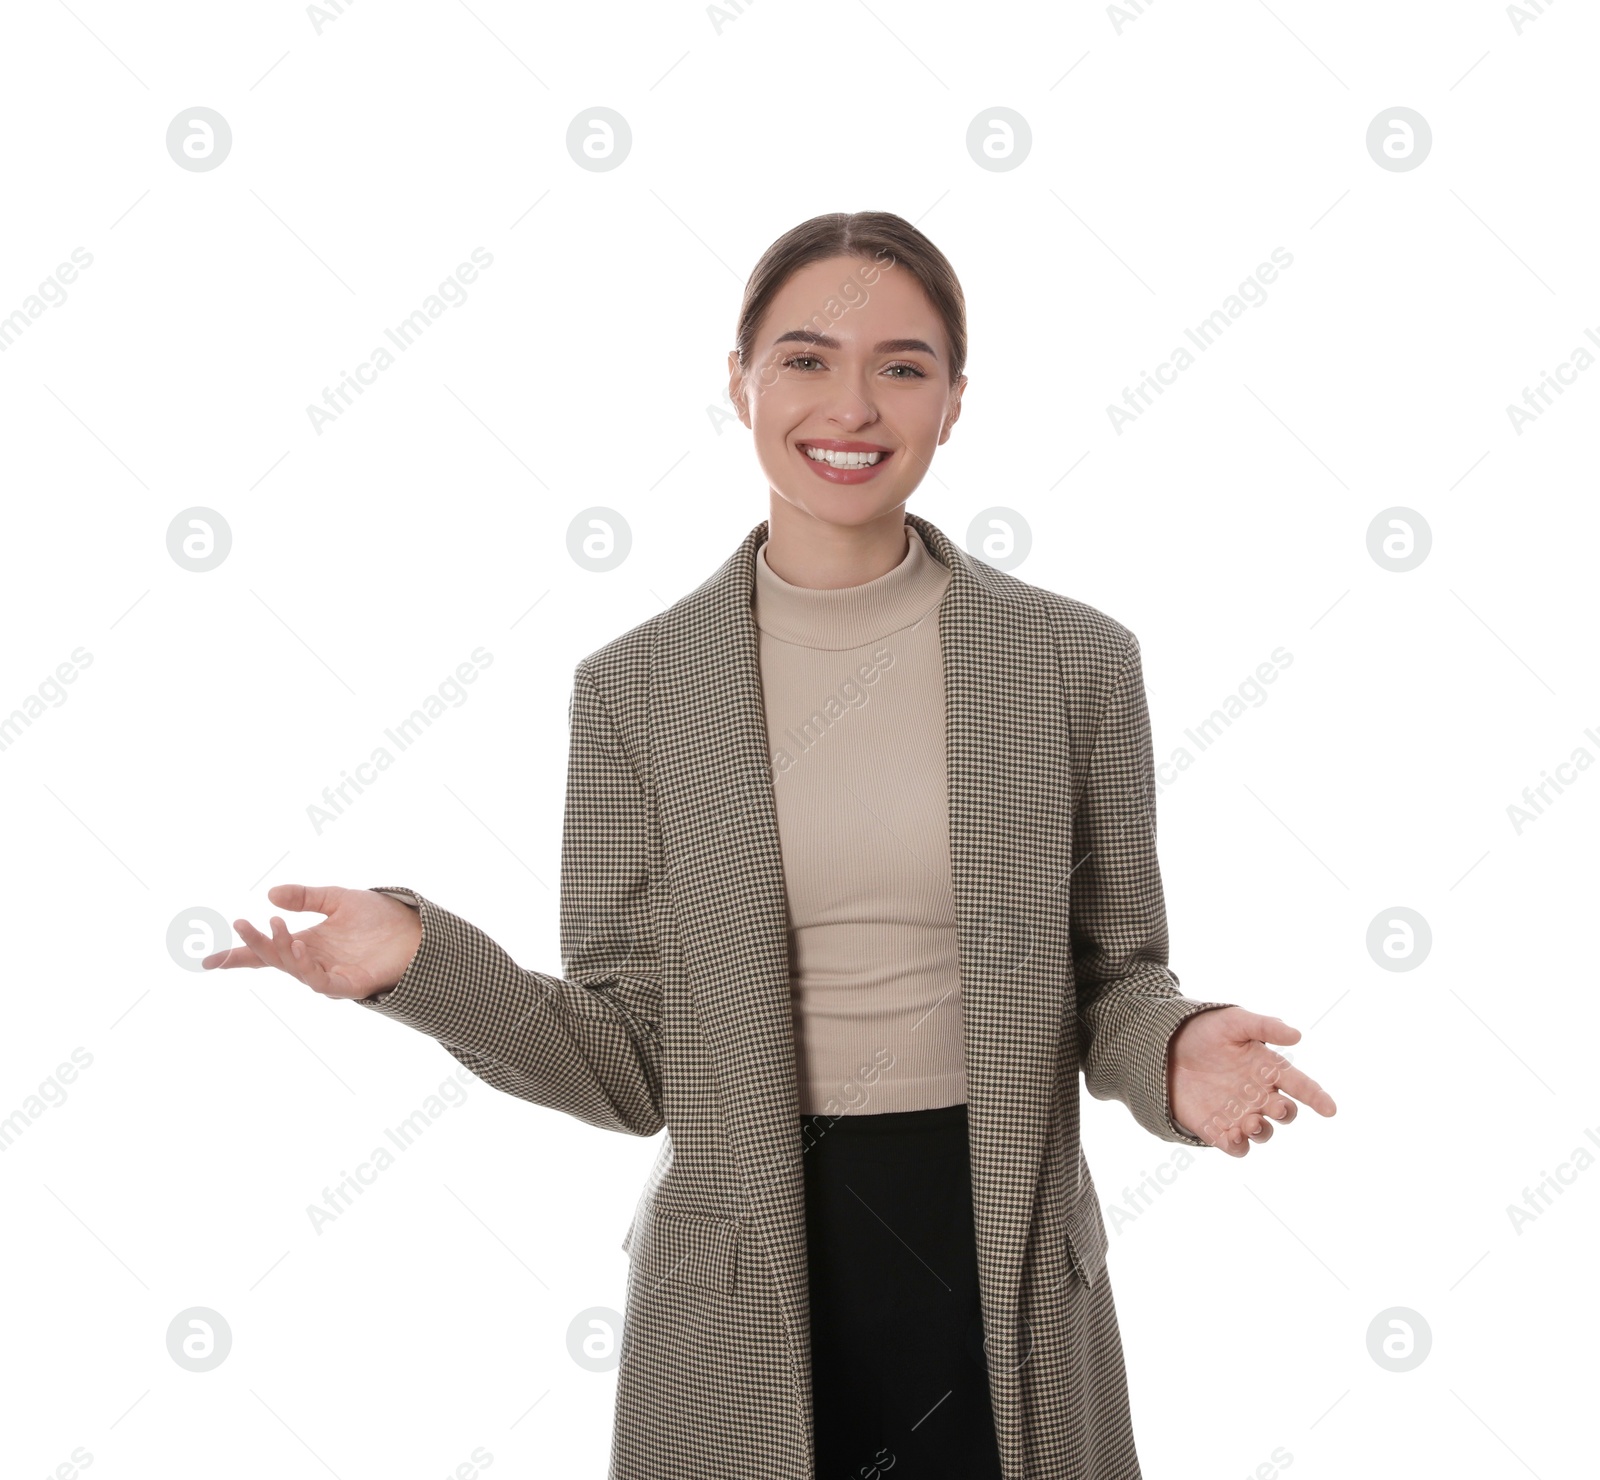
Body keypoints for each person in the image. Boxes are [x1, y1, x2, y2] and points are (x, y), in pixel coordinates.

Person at [203, 210, 1336, 1480]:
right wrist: (421, 962)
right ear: (738, 380)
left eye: (901, 366)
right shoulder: (638, 688)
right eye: (804, 358)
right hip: (740, 1290)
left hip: (1001, 1263)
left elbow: (1113, 975)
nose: (850, 405)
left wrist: (1173, 1046)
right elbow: (633, 1064)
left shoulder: (1071, 662)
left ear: (954, 401)